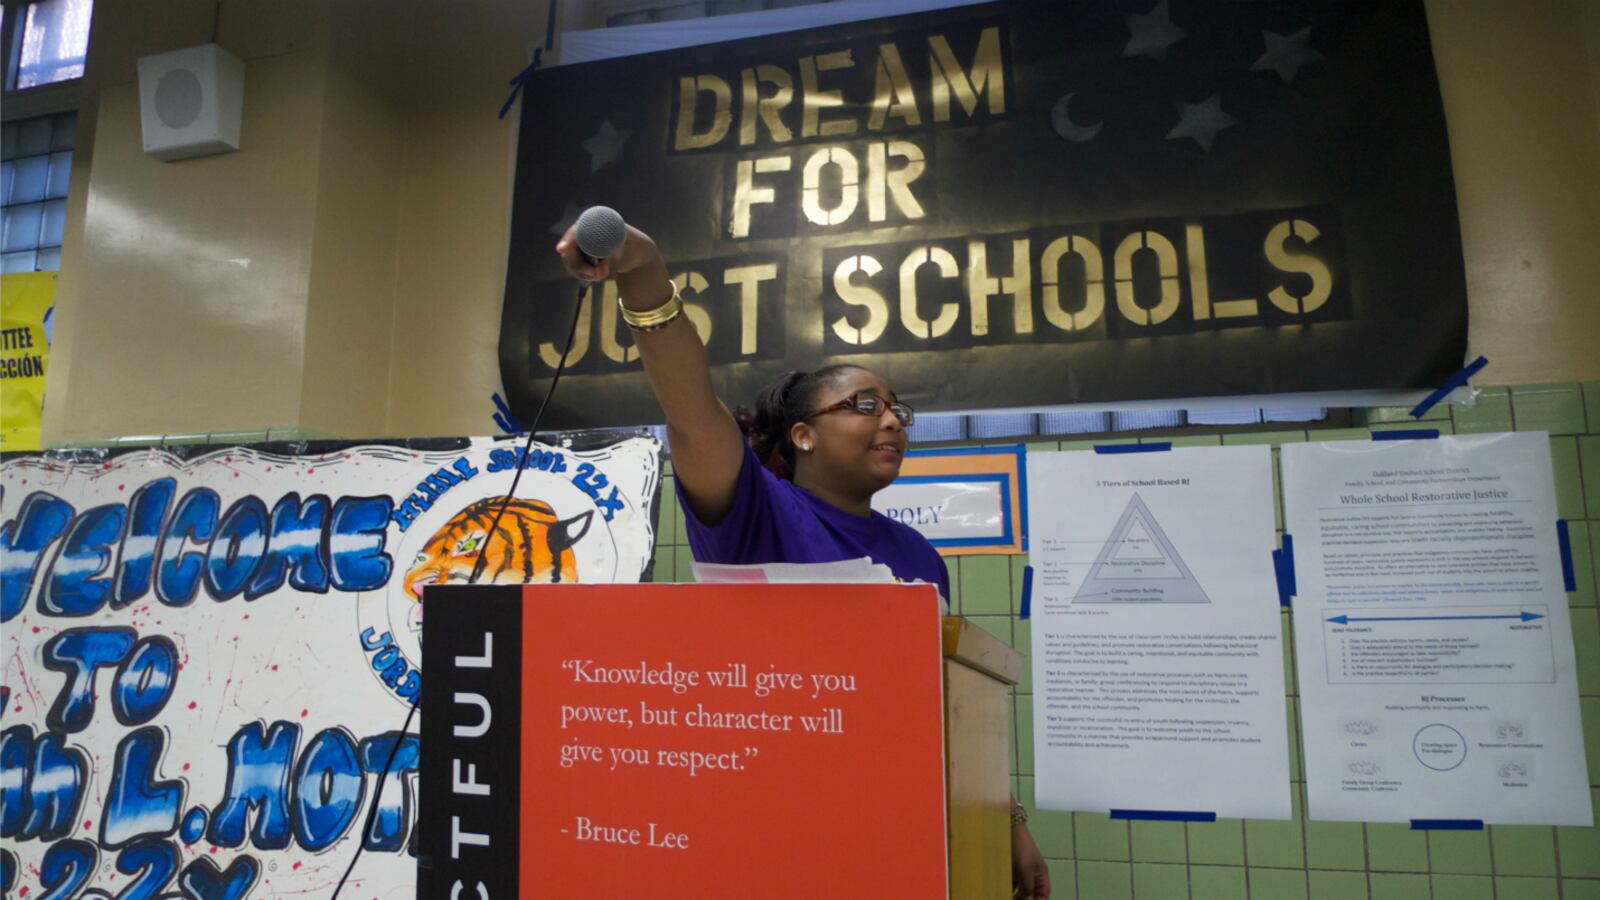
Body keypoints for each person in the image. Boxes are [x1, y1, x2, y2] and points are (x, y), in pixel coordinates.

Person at [556, 220, 1051, 899]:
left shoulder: (919, 557)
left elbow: (949, 713)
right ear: (804, 435)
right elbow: (692, 409)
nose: (892, 422)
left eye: (899, 410)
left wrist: (1007, 818)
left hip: (899, 835)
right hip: (774, 832)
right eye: (865, 406)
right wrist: (644, 274)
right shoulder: (754, 513)